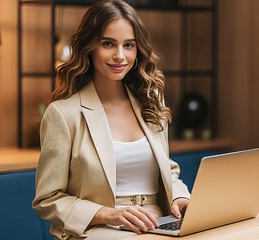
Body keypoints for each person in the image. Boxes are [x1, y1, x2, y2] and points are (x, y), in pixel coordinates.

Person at [32, 1, 190, 239]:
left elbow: (166, 167)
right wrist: (108, 214)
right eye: (108, 44)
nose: (120, 56)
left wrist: (180, 196)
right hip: (98, 229)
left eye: (129, 45)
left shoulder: (151, 100)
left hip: (157, 224)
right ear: (89, 47)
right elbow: (48, 199)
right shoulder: (63, 114)